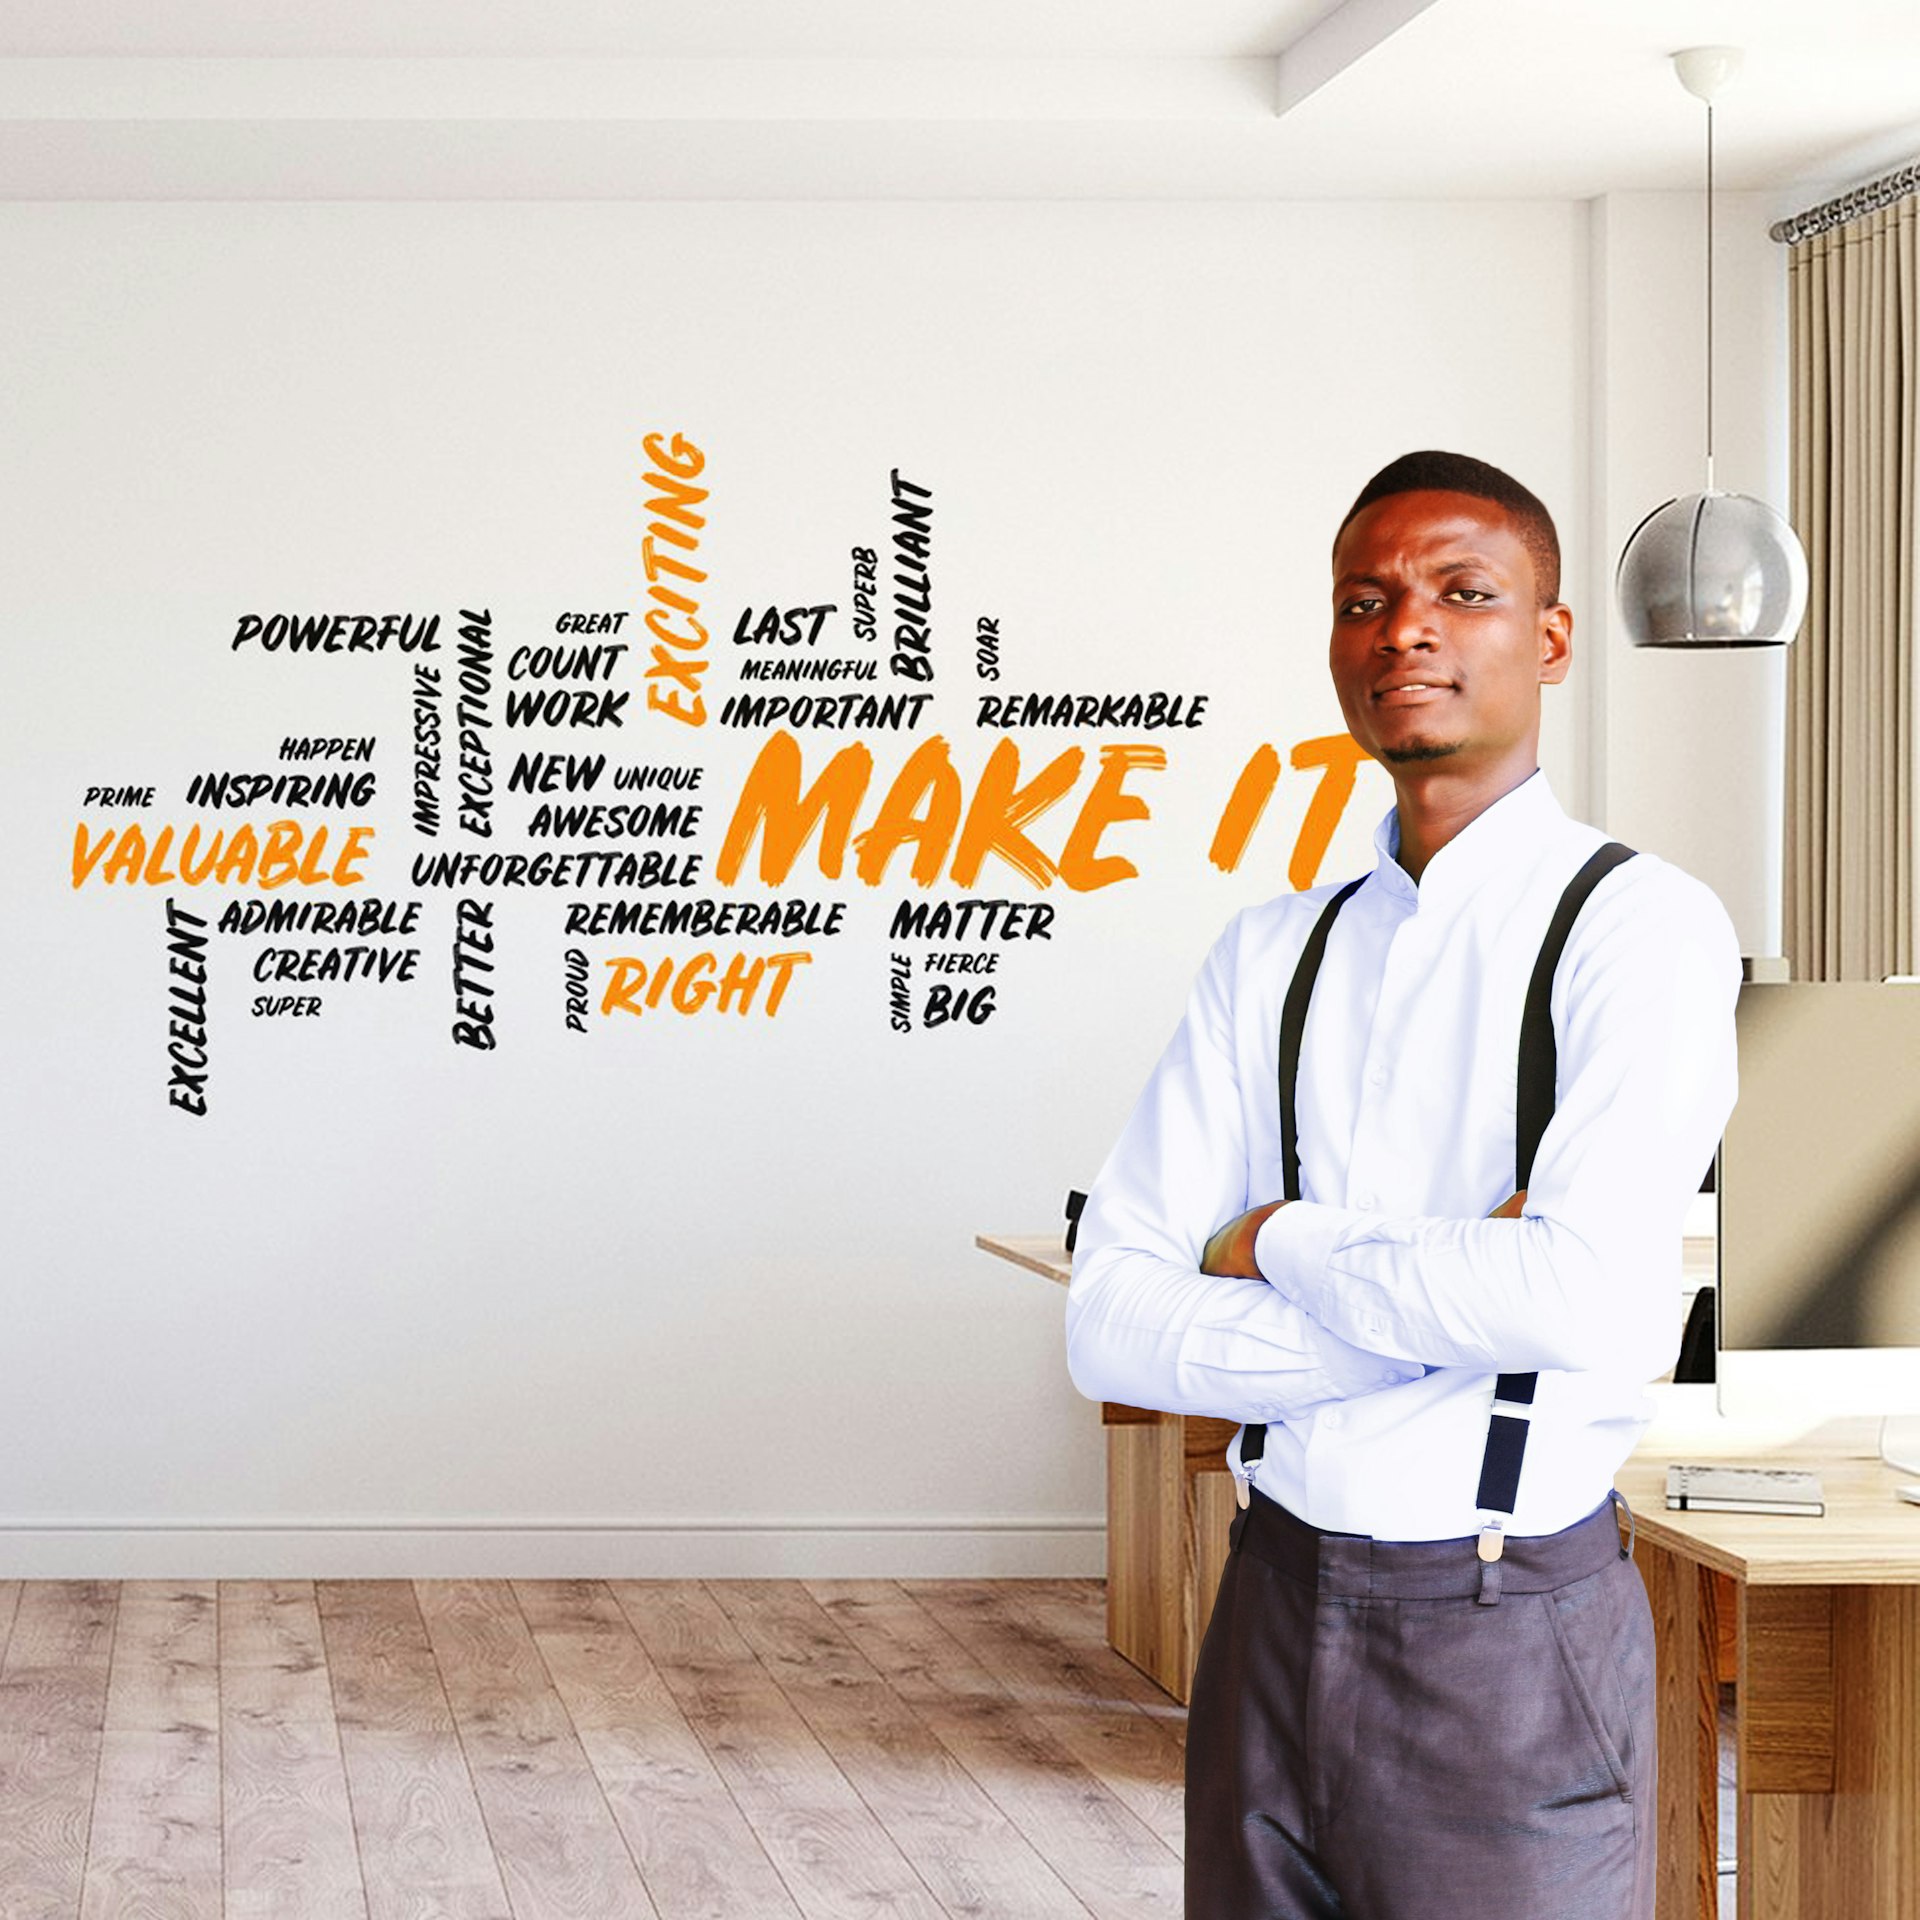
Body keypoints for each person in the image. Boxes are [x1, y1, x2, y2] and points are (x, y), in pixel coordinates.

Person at [1065, 450, 1740, 1920]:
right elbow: (1107, 1327)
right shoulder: (1271, 953)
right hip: (1266, 1604)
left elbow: (1575, 1297)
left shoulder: (1641, 931)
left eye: (1461, 592)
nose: (1405, 631)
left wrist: (1276, 1236)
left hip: (1506, 1635)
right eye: (1364, 600)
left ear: (1549, 639)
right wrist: (1449, 1302)